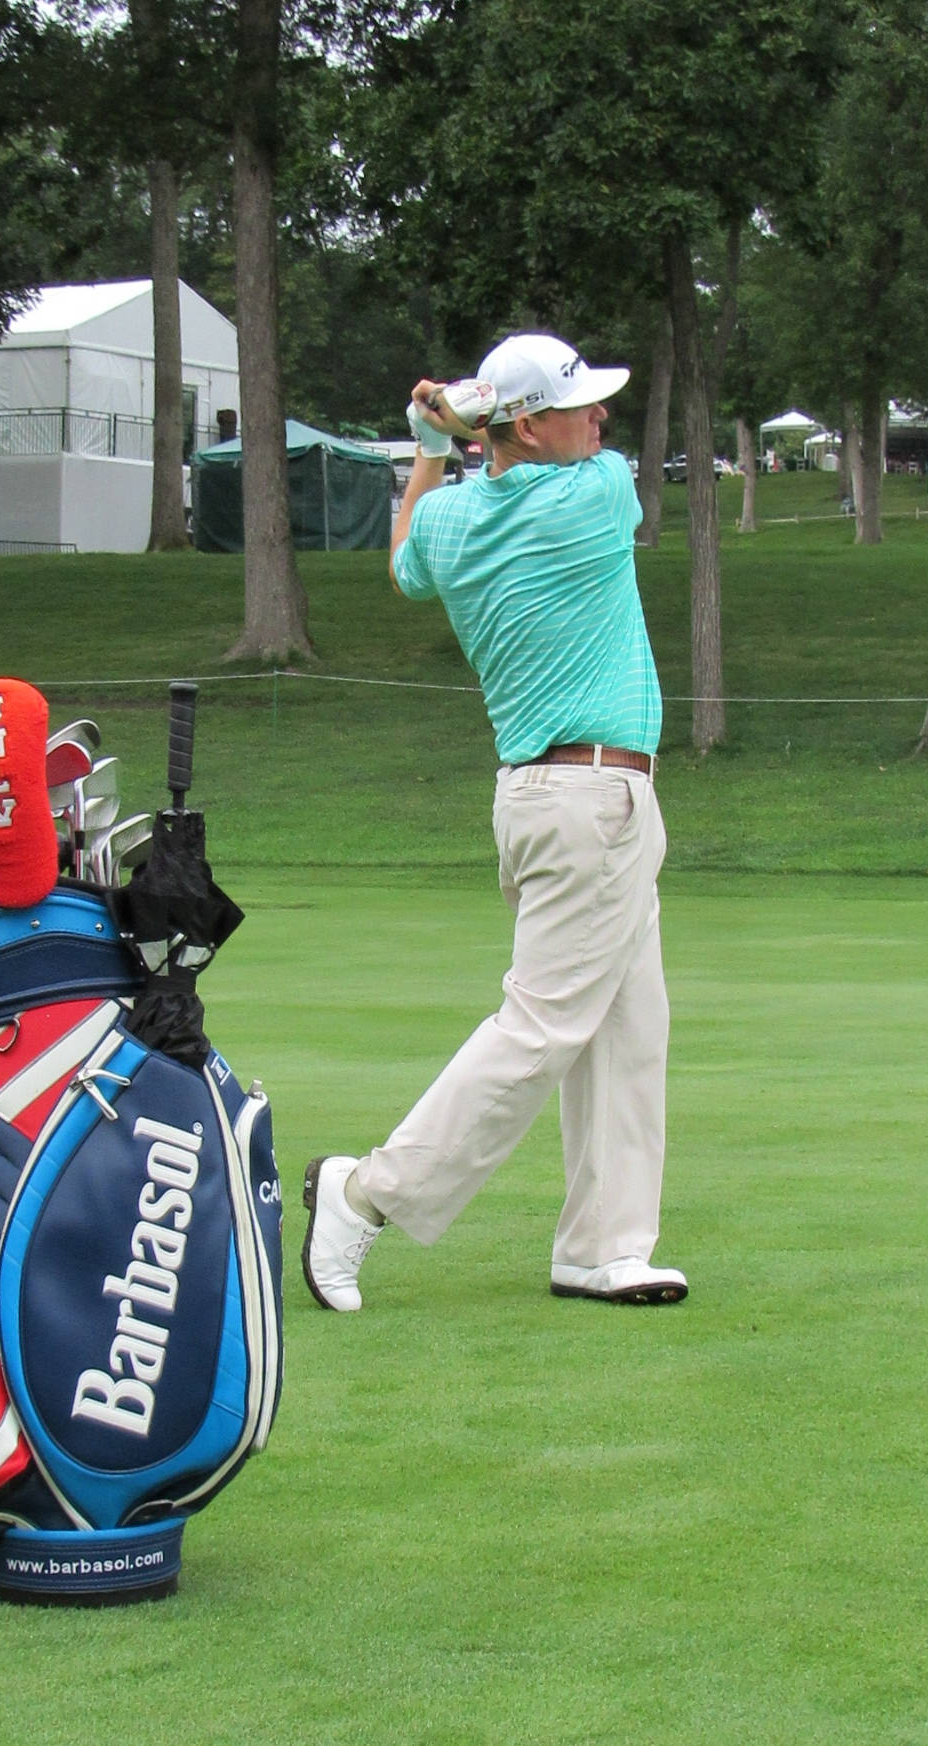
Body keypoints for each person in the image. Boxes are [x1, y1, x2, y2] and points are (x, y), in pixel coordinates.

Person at [301, 332, 687, 1312]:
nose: (600, 418)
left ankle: (602, 1248)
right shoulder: (593, 494)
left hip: (549, 799)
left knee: (628, 1029)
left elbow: (403, 566)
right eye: (579, 405)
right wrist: (464, 427)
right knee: (541, 1028)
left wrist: (433, 445)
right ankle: (362, 1193)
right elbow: (579, 470)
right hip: (587, 800)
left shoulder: (450, 519)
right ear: (527, 425)